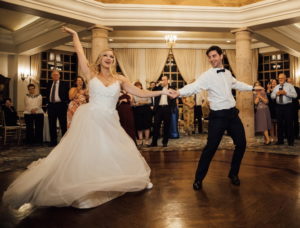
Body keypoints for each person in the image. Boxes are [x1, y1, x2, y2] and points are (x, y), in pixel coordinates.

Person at [3, 26, 172, 210]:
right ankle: (86, 186)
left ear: (114, 61)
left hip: (110, 119)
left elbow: (140, 92)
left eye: (111, 56)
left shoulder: (121, 79)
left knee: (114, 150)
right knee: (89, 152)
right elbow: (79, 52)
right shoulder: (91, 74)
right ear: (100, 59)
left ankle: (129, 179)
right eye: (105, 55)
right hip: (91, 118)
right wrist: (75, 35)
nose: (108, 58)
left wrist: (161, 91)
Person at [169, 45, 260, 190]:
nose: (212, 59)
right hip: (218, 117)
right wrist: (179, 92)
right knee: (210, 148)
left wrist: (252, 88)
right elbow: (194, 86)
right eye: (210, 57)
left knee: (242, 144)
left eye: (214, 56)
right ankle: (198, 179)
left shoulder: (228, 73)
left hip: (232, 114)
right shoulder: (207, 75)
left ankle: (233, 174)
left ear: (221, 55)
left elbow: (237, 84)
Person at [149, 75, 176, 147]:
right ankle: (154, 143)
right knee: (156, 126)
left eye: (164, 80)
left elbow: (174, 98)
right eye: (162, 80)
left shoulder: (172, 88)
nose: (163, 81)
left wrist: (172, 108)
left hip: (167, 109)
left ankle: (165, 142)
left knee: (166, 126)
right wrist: (157, 84)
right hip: (159, 109)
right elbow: (153, 91)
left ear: (168, 81)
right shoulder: (158, 88)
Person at [271, 73, 297, 146]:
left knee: (289, 124)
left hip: (288, 106)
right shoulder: (276, 87)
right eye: (279, 78)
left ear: (285, 78)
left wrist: (286, 93)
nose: (280, 80)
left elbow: (295, 95)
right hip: (279, 107)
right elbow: (272, 96)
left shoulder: (290, 86)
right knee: (279, 124)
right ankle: (280, 140)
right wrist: (276, 94)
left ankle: (290, 141)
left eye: (282, 78)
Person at [46, 70, 69, 146]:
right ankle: (53, 142)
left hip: (61, 106)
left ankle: (64, 142)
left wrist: (66, 102)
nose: (55, 76)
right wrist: (47, 104)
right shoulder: (49, 84)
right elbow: (46, 94)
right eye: (54, 75)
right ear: (51, 76)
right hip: (51, 106)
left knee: (63, 124)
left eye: (57, 75)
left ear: (59, 76)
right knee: (51, 125)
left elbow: (68, 95)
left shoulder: (64, 84)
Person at [132, 81, 152, 147]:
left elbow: (149, 101)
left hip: (146, 109)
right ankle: (140, 140)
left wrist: (142, 102)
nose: (137, 87)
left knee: (147, 125)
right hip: (137, 110)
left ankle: (147, 140)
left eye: (139, 86)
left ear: (141, 86)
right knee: (139, 126)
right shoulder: (133, 93)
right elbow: (132, 104)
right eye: (136, 86)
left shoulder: (146, 92)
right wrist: (136, 104)